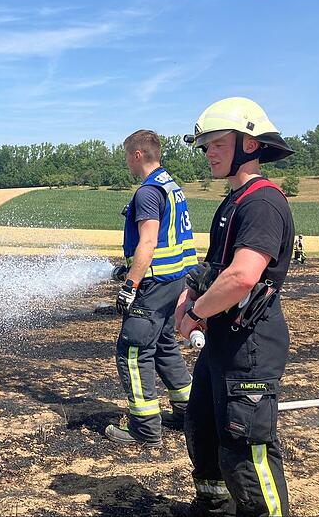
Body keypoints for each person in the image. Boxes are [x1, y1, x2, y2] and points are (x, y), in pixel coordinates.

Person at [176, 97, 296, 517]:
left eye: (217, 144)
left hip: (250, 346)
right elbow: (217, 268)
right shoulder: (235, 200)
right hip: (224, 342)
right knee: (204, 428)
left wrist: (196, 314)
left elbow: (243, 275)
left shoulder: (261, 203)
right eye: (205, 145)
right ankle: (214, 505)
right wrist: (190, 294)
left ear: (249, 144)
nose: (208, 153)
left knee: (246, 451)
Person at [104, 129, 198, 448]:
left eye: (127, 156)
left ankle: (144, 428)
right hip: (175, 281)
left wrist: (130, 284)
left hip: (153, 286)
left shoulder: (147, 192)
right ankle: (187, 413)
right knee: (164, 345)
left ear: (137, 155)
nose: (126, 163)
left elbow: (148, 242)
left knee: (133, 350)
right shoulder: (171, 186)